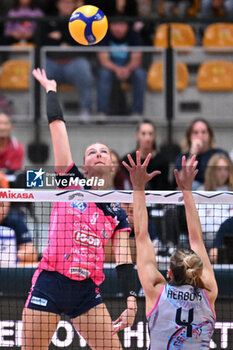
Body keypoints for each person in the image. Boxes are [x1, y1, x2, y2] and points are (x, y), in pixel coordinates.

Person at [22, 68, 137, 350]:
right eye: (91, 152)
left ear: (111, 164)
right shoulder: (70, 181)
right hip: (50, 282)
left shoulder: (118, 214)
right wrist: (51, 89)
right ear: (84, 167)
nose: (98, 154)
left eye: (104, 152)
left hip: (85, 291)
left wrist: (132, 301)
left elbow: (123, 261)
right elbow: (57, 125)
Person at [123, 152, 218, 349]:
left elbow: (141, 236)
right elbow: (197, 240)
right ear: (198, 272)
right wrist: (187, 191)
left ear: (169, 273)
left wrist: (138, 187)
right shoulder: (209, 293)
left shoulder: (156, 291)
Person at [42, 0, 93, 120]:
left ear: (74, 4)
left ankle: (86, 110)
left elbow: (84, 42)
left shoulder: (81, 22)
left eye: (70, 2)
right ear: (57, 4)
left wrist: (60, 36)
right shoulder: (49, 20)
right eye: (63, 2)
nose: (67, 5)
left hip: (74, 61)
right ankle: (44, 111)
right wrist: (67, 39)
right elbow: (42, 40)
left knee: (84, 69)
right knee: (41, 72)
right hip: (52, 62)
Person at [97, 20, 146, 116]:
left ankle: (136, 112)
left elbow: (137, 59)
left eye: (121, 24)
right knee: (103, 74)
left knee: (140, 74)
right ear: (109, 25)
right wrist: (117, 69)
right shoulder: (104, 35)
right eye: (115, 24)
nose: (118, 28)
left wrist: (127, 68)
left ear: (127, 26)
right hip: (111, 70)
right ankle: (102, 112)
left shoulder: (133, 35)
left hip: (129, 70)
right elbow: (104, 60)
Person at [175, 118, 228, 190]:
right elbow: (181, 182)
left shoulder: (220, 154)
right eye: (195, 132)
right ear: (189, 137)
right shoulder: (183, 157)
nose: (200, 136)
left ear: (210, 135)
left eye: (203, 132)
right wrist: (192, 154)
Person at [0, 171, 38, 263]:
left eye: (1, 204)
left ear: (8, 203)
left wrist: (8, 256)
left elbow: (32, 253)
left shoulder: (15, 220)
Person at [122, 120, 170, 190]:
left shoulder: (163, 161)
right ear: (137, 135)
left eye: (150, 134)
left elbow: (162, 188)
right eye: (143, 134)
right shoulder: (127, 160)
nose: (147, 138)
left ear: (154, 136)